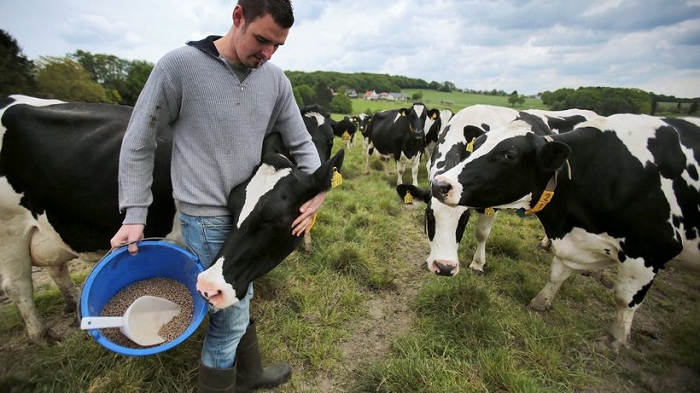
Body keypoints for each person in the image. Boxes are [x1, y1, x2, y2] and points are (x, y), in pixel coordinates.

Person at [110, 1, 326, 391]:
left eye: (278, 46)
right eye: (262, 40)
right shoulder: (179, 67)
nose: (267, 54)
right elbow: (138, 141)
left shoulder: (275, 80)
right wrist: (134, 214)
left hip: (253, 214)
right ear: (238, 15)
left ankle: (251, 374)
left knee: (239, 295)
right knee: (228, 319)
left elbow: (303, 143)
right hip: (206, 218)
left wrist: (319, 192)